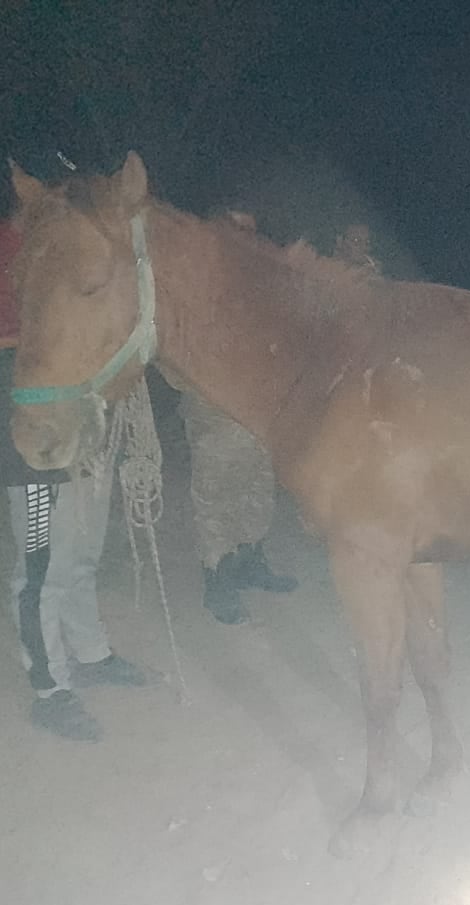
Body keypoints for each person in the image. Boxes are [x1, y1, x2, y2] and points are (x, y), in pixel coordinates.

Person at [0, 217, 148, 742]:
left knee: (82, 553)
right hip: (33, 452)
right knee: (41, 568)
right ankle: (49, 689)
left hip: (80, 439)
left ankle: (90, 654)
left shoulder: (60, 258)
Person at [179, 212, 299, 625]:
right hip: (215, 413)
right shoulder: (193, 286)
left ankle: (251, 562)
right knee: (216, 499)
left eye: (250, 229)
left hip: (259, 411)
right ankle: (218, 581)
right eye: (236, 229)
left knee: (257, 491)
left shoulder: (260, 285)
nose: (244, 238)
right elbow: (172, 352)